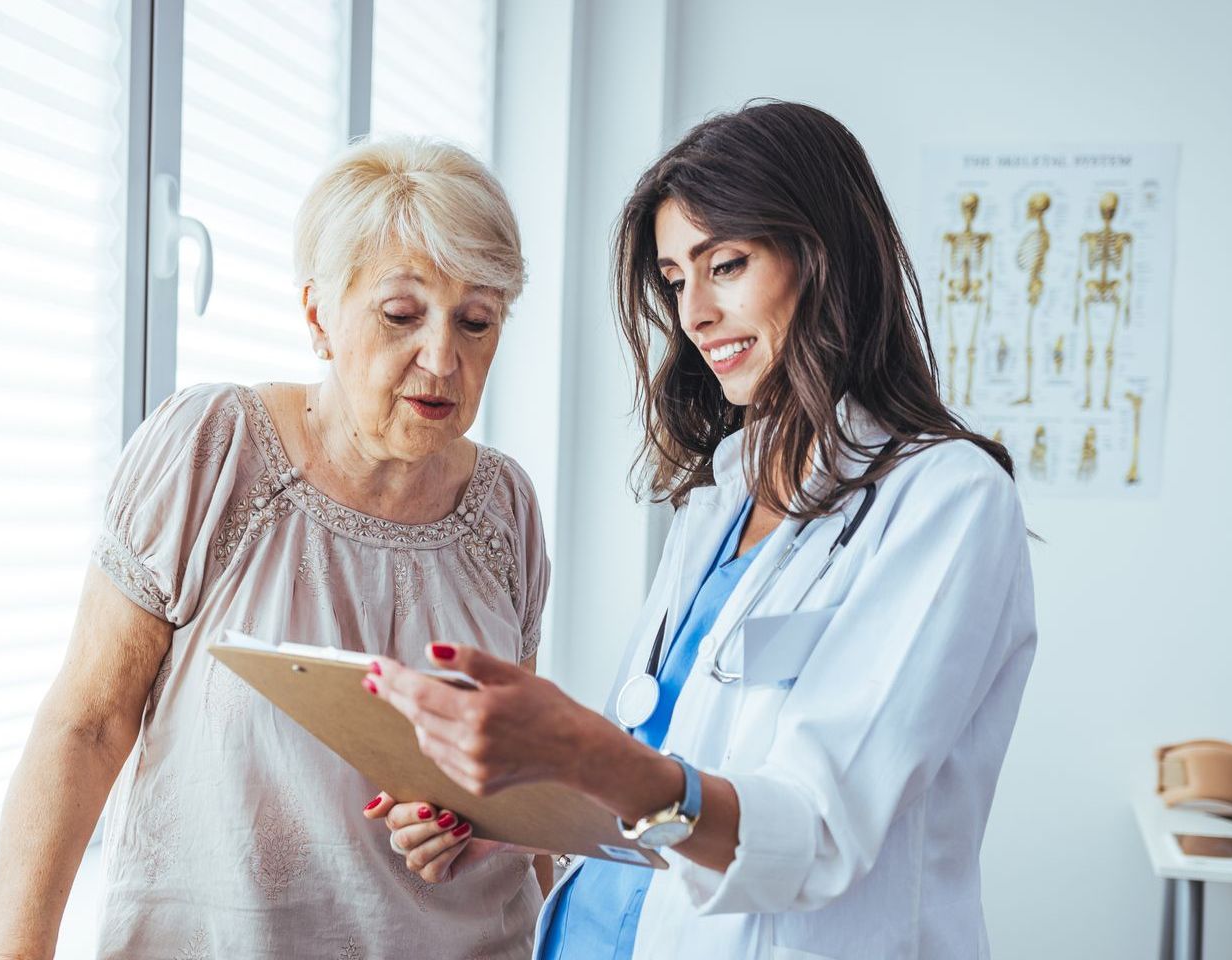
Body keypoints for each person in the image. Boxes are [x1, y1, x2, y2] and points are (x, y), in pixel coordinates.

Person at [363, 101, 1038, 959]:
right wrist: (514, 807)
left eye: (726, 265)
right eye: (677, 280)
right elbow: (668, 780)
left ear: (827, 257)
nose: (695, 314)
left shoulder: (948, 501)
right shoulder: (720, 499)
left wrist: (577, 747)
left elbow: (817, 832)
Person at [0, 136, 551, 960]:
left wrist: (475, 812)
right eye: (401, 315)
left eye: (476, 321)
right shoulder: (213, 451)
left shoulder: (507, 509)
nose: (442, 359)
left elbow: (519, 771)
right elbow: (89, 723)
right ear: (319, 313)